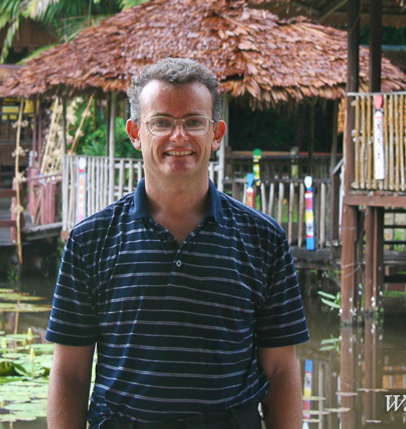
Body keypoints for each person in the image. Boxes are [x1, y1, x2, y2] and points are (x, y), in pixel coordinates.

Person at [46, 58, 309, 429]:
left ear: (216, 133)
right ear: (135, 133)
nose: (179, 137)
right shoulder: (91, 240)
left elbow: (281, 369)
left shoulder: (263, 239)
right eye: (162, 122)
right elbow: (70, 372)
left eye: (194, 122)